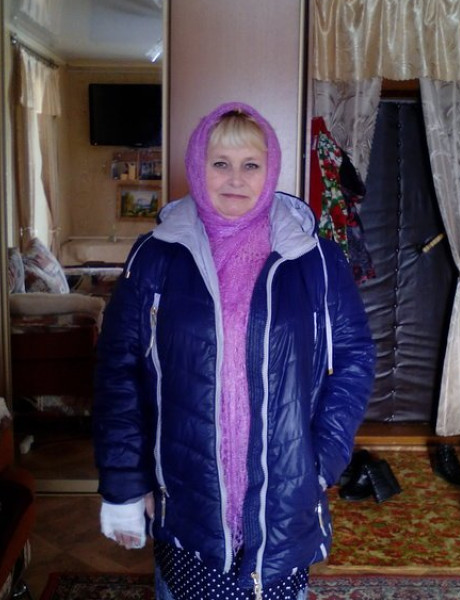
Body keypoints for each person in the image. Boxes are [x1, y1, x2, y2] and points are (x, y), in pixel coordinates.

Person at [93, 102, 376, 600]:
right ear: (197, 166)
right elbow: (118, 374)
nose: (236, 179)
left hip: (284, 498)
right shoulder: (155, 257)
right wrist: (124, 484)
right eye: (220, 163)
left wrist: (320, 462)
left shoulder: (314, 258)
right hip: (185, 495)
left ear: (270, 171)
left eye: (251, 164)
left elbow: (354, 359)